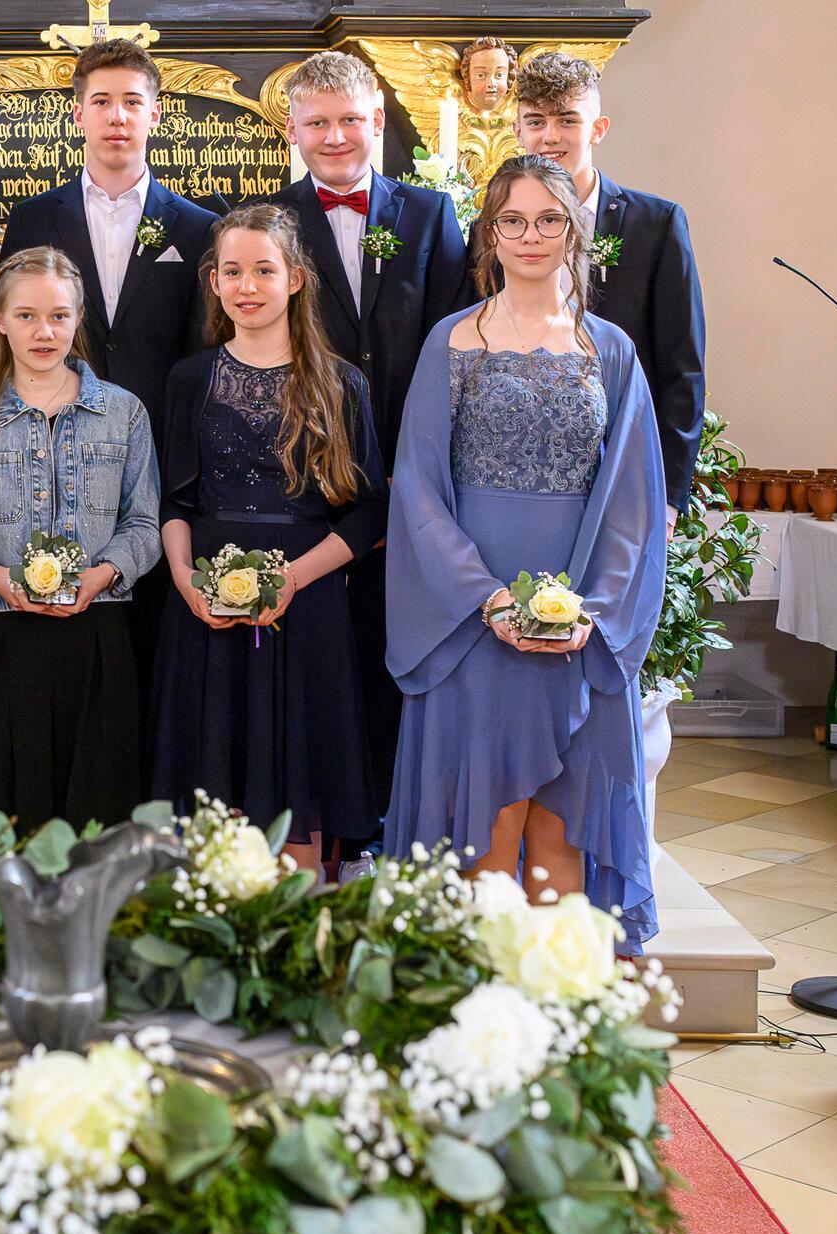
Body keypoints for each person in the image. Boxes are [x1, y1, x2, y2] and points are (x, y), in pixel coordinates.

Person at [380, 155, 666, 947]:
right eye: (513, 220)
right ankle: (479, 1007)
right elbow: (419, 489)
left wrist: (591, 613)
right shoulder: (451, 342)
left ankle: (555, 1009)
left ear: (574, 230)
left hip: (578, 628)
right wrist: (491, 598)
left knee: (561, 843)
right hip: (472, 622)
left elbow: (635, 504)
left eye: (549, 219)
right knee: (483, 839)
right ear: (491, 233)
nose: (531, 235)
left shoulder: (610, 350)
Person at [258, 50, 472, 833]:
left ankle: (389, 820)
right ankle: (316, 824)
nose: (336, 136)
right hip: (307, 476)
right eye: (318, 122)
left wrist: (432, 467)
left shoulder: (430, 215)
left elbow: (456, 343)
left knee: (399, 648)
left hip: (414, 472)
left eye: (350, 119)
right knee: (320, 656)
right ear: (293, 130)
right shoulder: (269, 221)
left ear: (377, 120)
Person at [150, 204, 386, 851]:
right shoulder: (189, 379)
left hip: (306, 606)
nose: (246, 286)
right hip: (206, 606)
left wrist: (292, 579)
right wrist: (185, 580)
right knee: (213, 804)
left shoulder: (342, 384)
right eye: (232, 271)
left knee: (299, 801)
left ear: (295, 278)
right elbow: (174, 502)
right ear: (214, 283)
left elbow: (369, 511)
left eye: (263, 269)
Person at [0, 37, 218, 676]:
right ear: (78, 114)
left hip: (163, 446)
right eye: (101, 101)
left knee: (152, 636)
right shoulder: (34, 217)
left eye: (131, 101)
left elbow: (204, 345)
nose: (117, 116)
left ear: (156, 113)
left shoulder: (198, 225)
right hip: (55, 445)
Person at [0, 247, 159, 826]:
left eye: (58, 315)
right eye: (26, 315)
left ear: (78, 319)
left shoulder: (124, 413)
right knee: (11, 810)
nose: (44, 331)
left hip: (98, 627)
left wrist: (102, 574)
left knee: (98, 809)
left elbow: (144, 523)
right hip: (4, 634)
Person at [513, 51, 706, 516]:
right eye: (536, 121)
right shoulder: (495, 226)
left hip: (625, 463)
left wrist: (668, 499)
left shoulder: (656, 225)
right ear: (518, 131)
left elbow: (683, 369)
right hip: (518, 470)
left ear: (597, 129)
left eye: (567, 120)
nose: (550, 136)